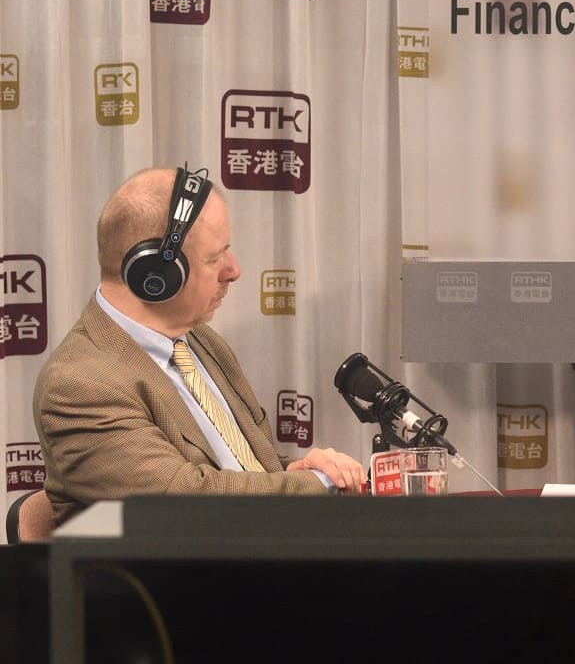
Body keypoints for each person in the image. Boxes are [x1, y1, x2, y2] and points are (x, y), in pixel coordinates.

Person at [34, 168, 365, 526]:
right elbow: (189, 500)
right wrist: (317, 484)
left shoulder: (200, 342)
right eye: (214, 258)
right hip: (185, 561)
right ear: (154, 275)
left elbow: (241, 471)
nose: (234, 271)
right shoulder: (79, 385)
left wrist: (297, 470)